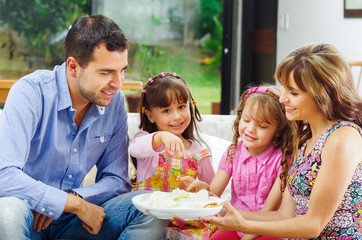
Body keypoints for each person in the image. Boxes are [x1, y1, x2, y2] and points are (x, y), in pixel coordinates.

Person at [0, 14, 168, 239]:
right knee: (8, 211)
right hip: (27, 217)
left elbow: (117, 180)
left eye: (122, 70)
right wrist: (66, 203)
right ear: (73, 67)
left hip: (76, 223)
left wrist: (75, 199)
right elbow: (5, 175)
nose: (118, 83)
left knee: (152, 206)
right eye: (106, 72)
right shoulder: (30, 93)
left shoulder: (114, 101)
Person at [202, 43, 362, 239]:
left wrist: (246, 225)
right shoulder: (305, 142)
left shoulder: (343, 138)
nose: (283, 98)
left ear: (323, 95)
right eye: (283, 88)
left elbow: (314, 224)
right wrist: (222, 213)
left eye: (293, 92)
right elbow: (283, 215)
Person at [180, 85, 294, 240]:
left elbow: (269, 212)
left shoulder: (283, 159)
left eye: (262, 126)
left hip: (268, 229)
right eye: (246, 120)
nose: (251, 129)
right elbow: (214, 195)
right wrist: (201, 189)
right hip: (234, 225)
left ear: (278, 130)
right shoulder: (233, 153)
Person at [129, 72, 216, 239]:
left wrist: (201, 188)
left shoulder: (200, 154)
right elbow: (135, 149)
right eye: (166, 110)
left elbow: (212, 191)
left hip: (187, 225)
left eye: (182, 107)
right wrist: (161, 137)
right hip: (149, 221)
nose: (176, 116)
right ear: (150, 115)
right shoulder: (148, 144)